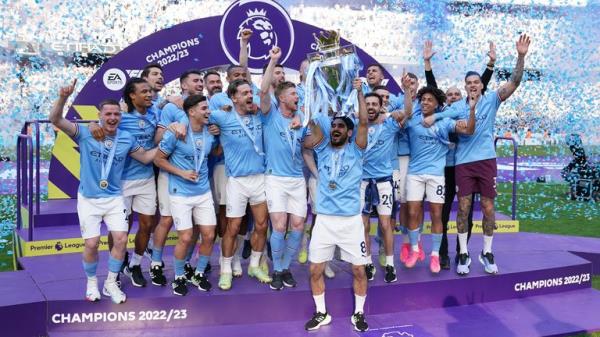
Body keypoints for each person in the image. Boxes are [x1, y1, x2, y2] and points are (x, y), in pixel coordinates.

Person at [49, 79, 156, 303]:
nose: (112, 118)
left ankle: (110, 283)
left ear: (120, 116)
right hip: (89, 198)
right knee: (91, 243)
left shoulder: (126, 138)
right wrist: (63, 97)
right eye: (107, 114)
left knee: (120, 239)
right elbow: (56, 119)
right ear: (99, 115)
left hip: (115, 197)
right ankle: (91, 283)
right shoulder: (85, 133)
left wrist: (170, 140)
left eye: (116, 114)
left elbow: (146, 157)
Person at [450, 34, 531, 275]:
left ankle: (486, 252)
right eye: (469, 83)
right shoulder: (456, 107)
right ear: (465, 87)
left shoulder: (493, 100)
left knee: (488, 208)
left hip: (486, 161)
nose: (473, 85)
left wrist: (520, 56)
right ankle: (463, 253)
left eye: (476, 82)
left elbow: (514, 82)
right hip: (463, 163)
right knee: (463, 208)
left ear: (482, 85)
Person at [303, 78, 369, 332]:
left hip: (351, 222)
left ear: (349, 132)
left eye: (341, 126)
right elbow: (312, 122)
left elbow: (363, 121)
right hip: (325, 221)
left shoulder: (357, 149)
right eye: (333, 126)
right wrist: (314, 88)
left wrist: (359, 91)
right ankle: (322, 313)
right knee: (315, 269)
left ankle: (359, 313)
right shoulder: (321, 149)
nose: (336, 129)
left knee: (359, 271)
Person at [402, 86, 476, 273]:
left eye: (430, 100)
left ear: (437, 105)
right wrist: (406, 93)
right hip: (415, 173)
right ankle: (414, 250)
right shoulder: (412, 120)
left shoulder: (445, 122)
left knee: (436, 214)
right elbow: (404, 113)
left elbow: (468, 130)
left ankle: (435, 255)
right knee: (412, 213)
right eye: (423, 99)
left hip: (436, 175)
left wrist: (472, 111)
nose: (426, 102)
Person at [210, 79, 271, 290]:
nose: (249, 96)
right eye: (244, 93)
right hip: (236, 181)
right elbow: (194, 113)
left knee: (262, 225)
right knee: (233, 228)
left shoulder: (260, 116)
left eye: (250, 92)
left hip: (260, 178)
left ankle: (254, 265)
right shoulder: (222, 116)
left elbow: (267, 97)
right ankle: (225, 269)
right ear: (233, 97)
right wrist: (177, 122)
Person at [154, 95, 218, 296]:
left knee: (209, 235)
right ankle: (179, 276)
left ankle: (199, 273)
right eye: (204, 108)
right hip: (180, 193)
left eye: (208, 108)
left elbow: (214, 152)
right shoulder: (176, 132)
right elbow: (158, 160)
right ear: (191, 112)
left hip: (203, 192)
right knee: (186, 236)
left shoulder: (210, 133)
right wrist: (181, 173)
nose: (208, 112)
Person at [150, 69, 208, 286]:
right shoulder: (173, 107)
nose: (200, 83)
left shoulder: (205, 107)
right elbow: (157, 138)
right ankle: (156, 262)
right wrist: (172, 128)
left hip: (197, 176)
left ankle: (184, 264)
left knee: (192, 225)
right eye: (195, 80)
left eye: (201, 80)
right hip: (171, 174)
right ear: (183, 85)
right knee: (166, 219)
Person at [260, 47, 307, 290]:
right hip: (275, 179)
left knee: (298, 226)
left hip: (297, 179)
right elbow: (263, 90)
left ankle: (286, 266)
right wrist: (274, 60)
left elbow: (309, 146)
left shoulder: (301, 118)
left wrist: (302, 116)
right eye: (292, 93)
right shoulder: (269, 115)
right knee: (279, 225)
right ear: (282, 98)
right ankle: (276, 268)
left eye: (297, 92)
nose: (297, 95)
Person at [360, 74, 413, 284]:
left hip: (383, 182)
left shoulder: (390, 123)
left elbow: (408, 112)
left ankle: (390, 264)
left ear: (381, 105)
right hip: (362, 183)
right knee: (363, 226)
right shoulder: (356, 124)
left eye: (375, 103)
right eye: (368, 103)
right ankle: (367, 262)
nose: (371, 106)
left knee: (385, 225)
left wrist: (407, 90)